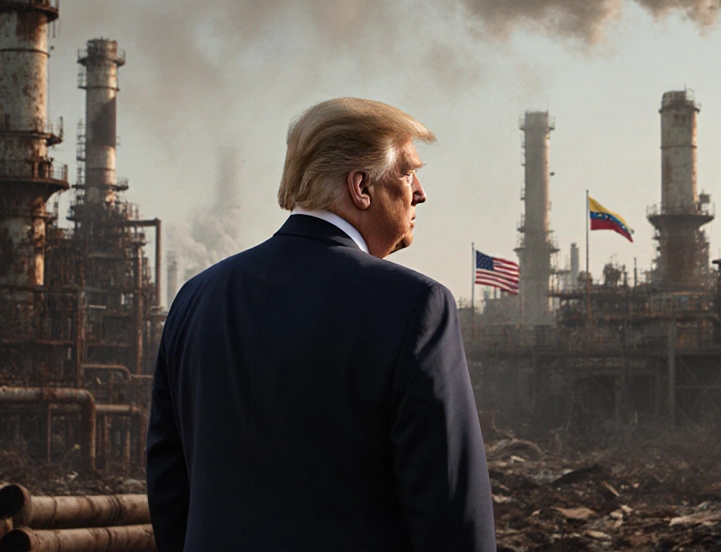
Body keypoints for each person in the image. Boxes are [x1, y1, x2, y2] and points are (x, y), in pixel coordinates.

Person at [146, 97, 495, 551]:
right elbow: (452, 514)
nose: (420, 192)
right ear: (361, 187)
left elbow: (169, 489)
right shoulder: (416, 305)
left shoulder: (194, 299)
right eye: (408, 173)